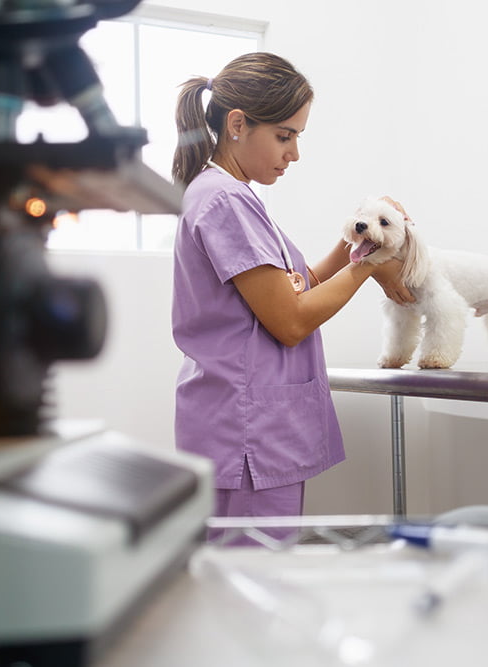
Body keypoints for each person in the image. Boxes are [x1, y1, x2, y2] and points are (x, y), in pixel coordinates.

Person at [170, 52, 411, 540]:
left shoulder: (234, 196)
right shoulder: (224, 200)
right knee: (251, 590)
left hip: (255, 433)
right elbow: (291, 320)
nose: (293, 153)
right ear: (238, 124)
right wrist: (370, 269)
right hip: (246, 437)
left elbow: (303, 286)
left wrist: (363, 242)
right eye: (285, 136)